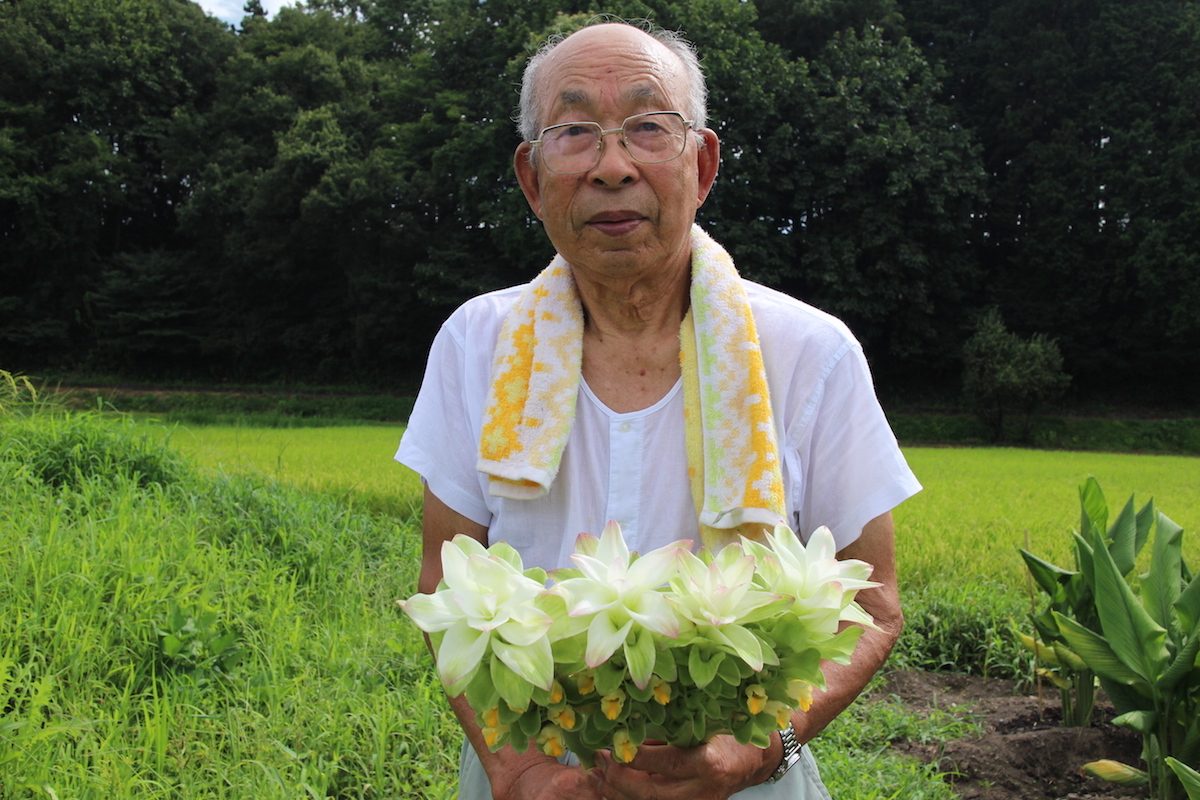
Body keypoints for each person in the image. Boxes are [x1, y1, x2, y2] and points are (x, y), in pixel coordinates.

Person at [396, 19, 921, 800]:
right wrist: (519, 770)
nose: (613, 166)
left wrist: (755, 752)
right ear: (532, 178)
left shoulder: (812, 352)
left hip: (744, 779)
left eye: (648, 127)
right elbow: (446, 583)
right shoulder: (476, 343)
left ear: (702, 164)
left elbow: (872, 606)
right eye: (574, 132)